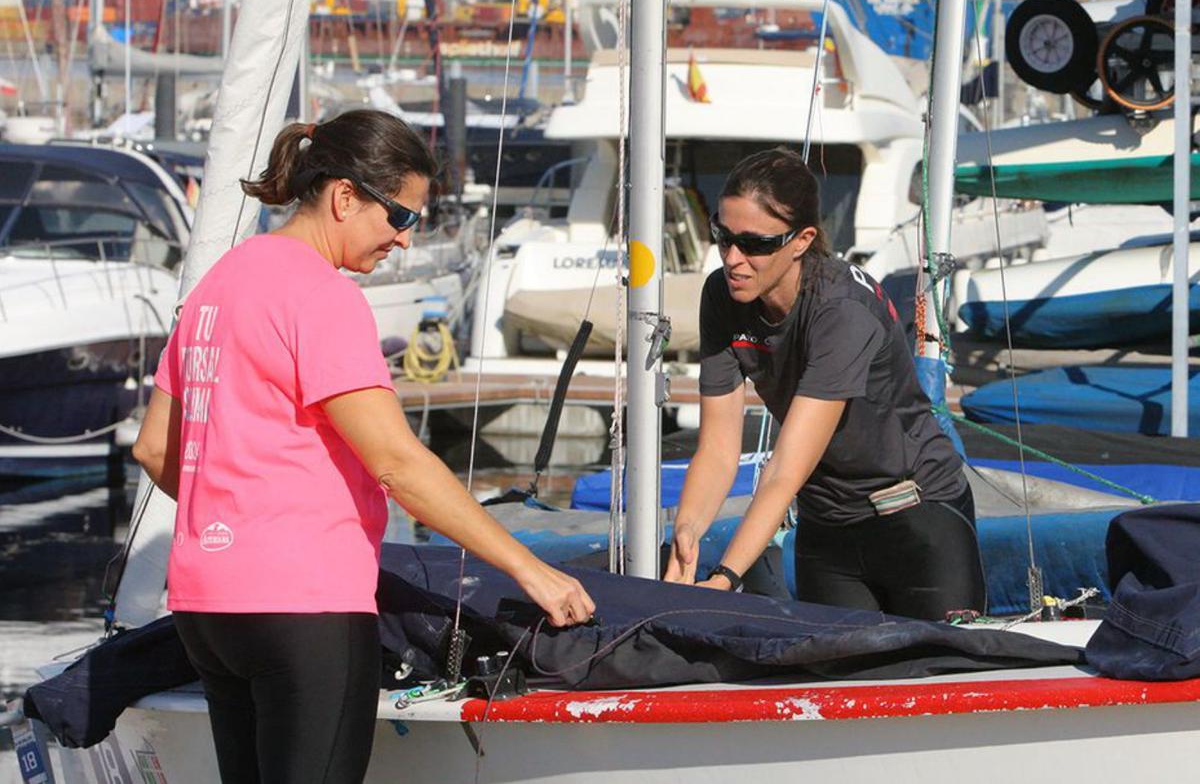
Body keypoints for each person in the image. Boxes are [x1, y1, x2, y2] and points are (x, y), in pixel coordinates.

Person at [132, 109, 595, 784]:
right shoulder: (322, 297)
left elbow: (152, 447)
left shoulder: (219, 284)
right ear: (345, 197)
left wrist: (238, 509)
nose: (405, 242)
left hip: (209, 608)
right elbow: (397, 462)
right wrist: (531, 569)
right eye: (401, 218)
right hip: (304, 605)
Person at [663, 147, 984, 621]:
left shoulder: (840, 311)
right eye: (722, 236)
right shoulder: (722, 295)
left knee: (938, 676)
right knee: (832, 681)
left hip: (918, 519)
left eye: (753, 244)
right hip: (826, 525)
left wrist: (727, 576)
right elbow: (718, 448)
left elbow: (784, 467)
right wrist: (686, 537)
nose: (733, 259)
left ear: (801, 240)